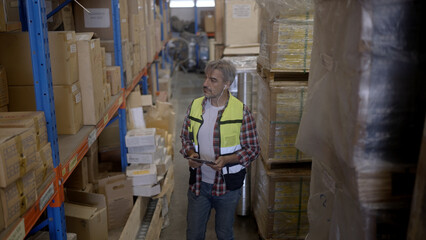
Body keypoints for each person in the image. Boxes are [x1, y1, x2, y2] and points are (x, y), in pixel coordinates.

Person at [180, 59, 260, 240]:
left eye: (213, 80)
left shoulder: (241, 112)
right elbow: (186, 138)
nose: (205, 83)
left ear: (227, 84)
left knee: (224, 234)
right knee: (193, 234)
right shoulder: (195, 106)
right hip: (199, 184)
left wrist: (227, 160)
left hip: (227, 187)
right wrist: (191, 154)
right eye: (206, 78)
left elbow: (253, 149)